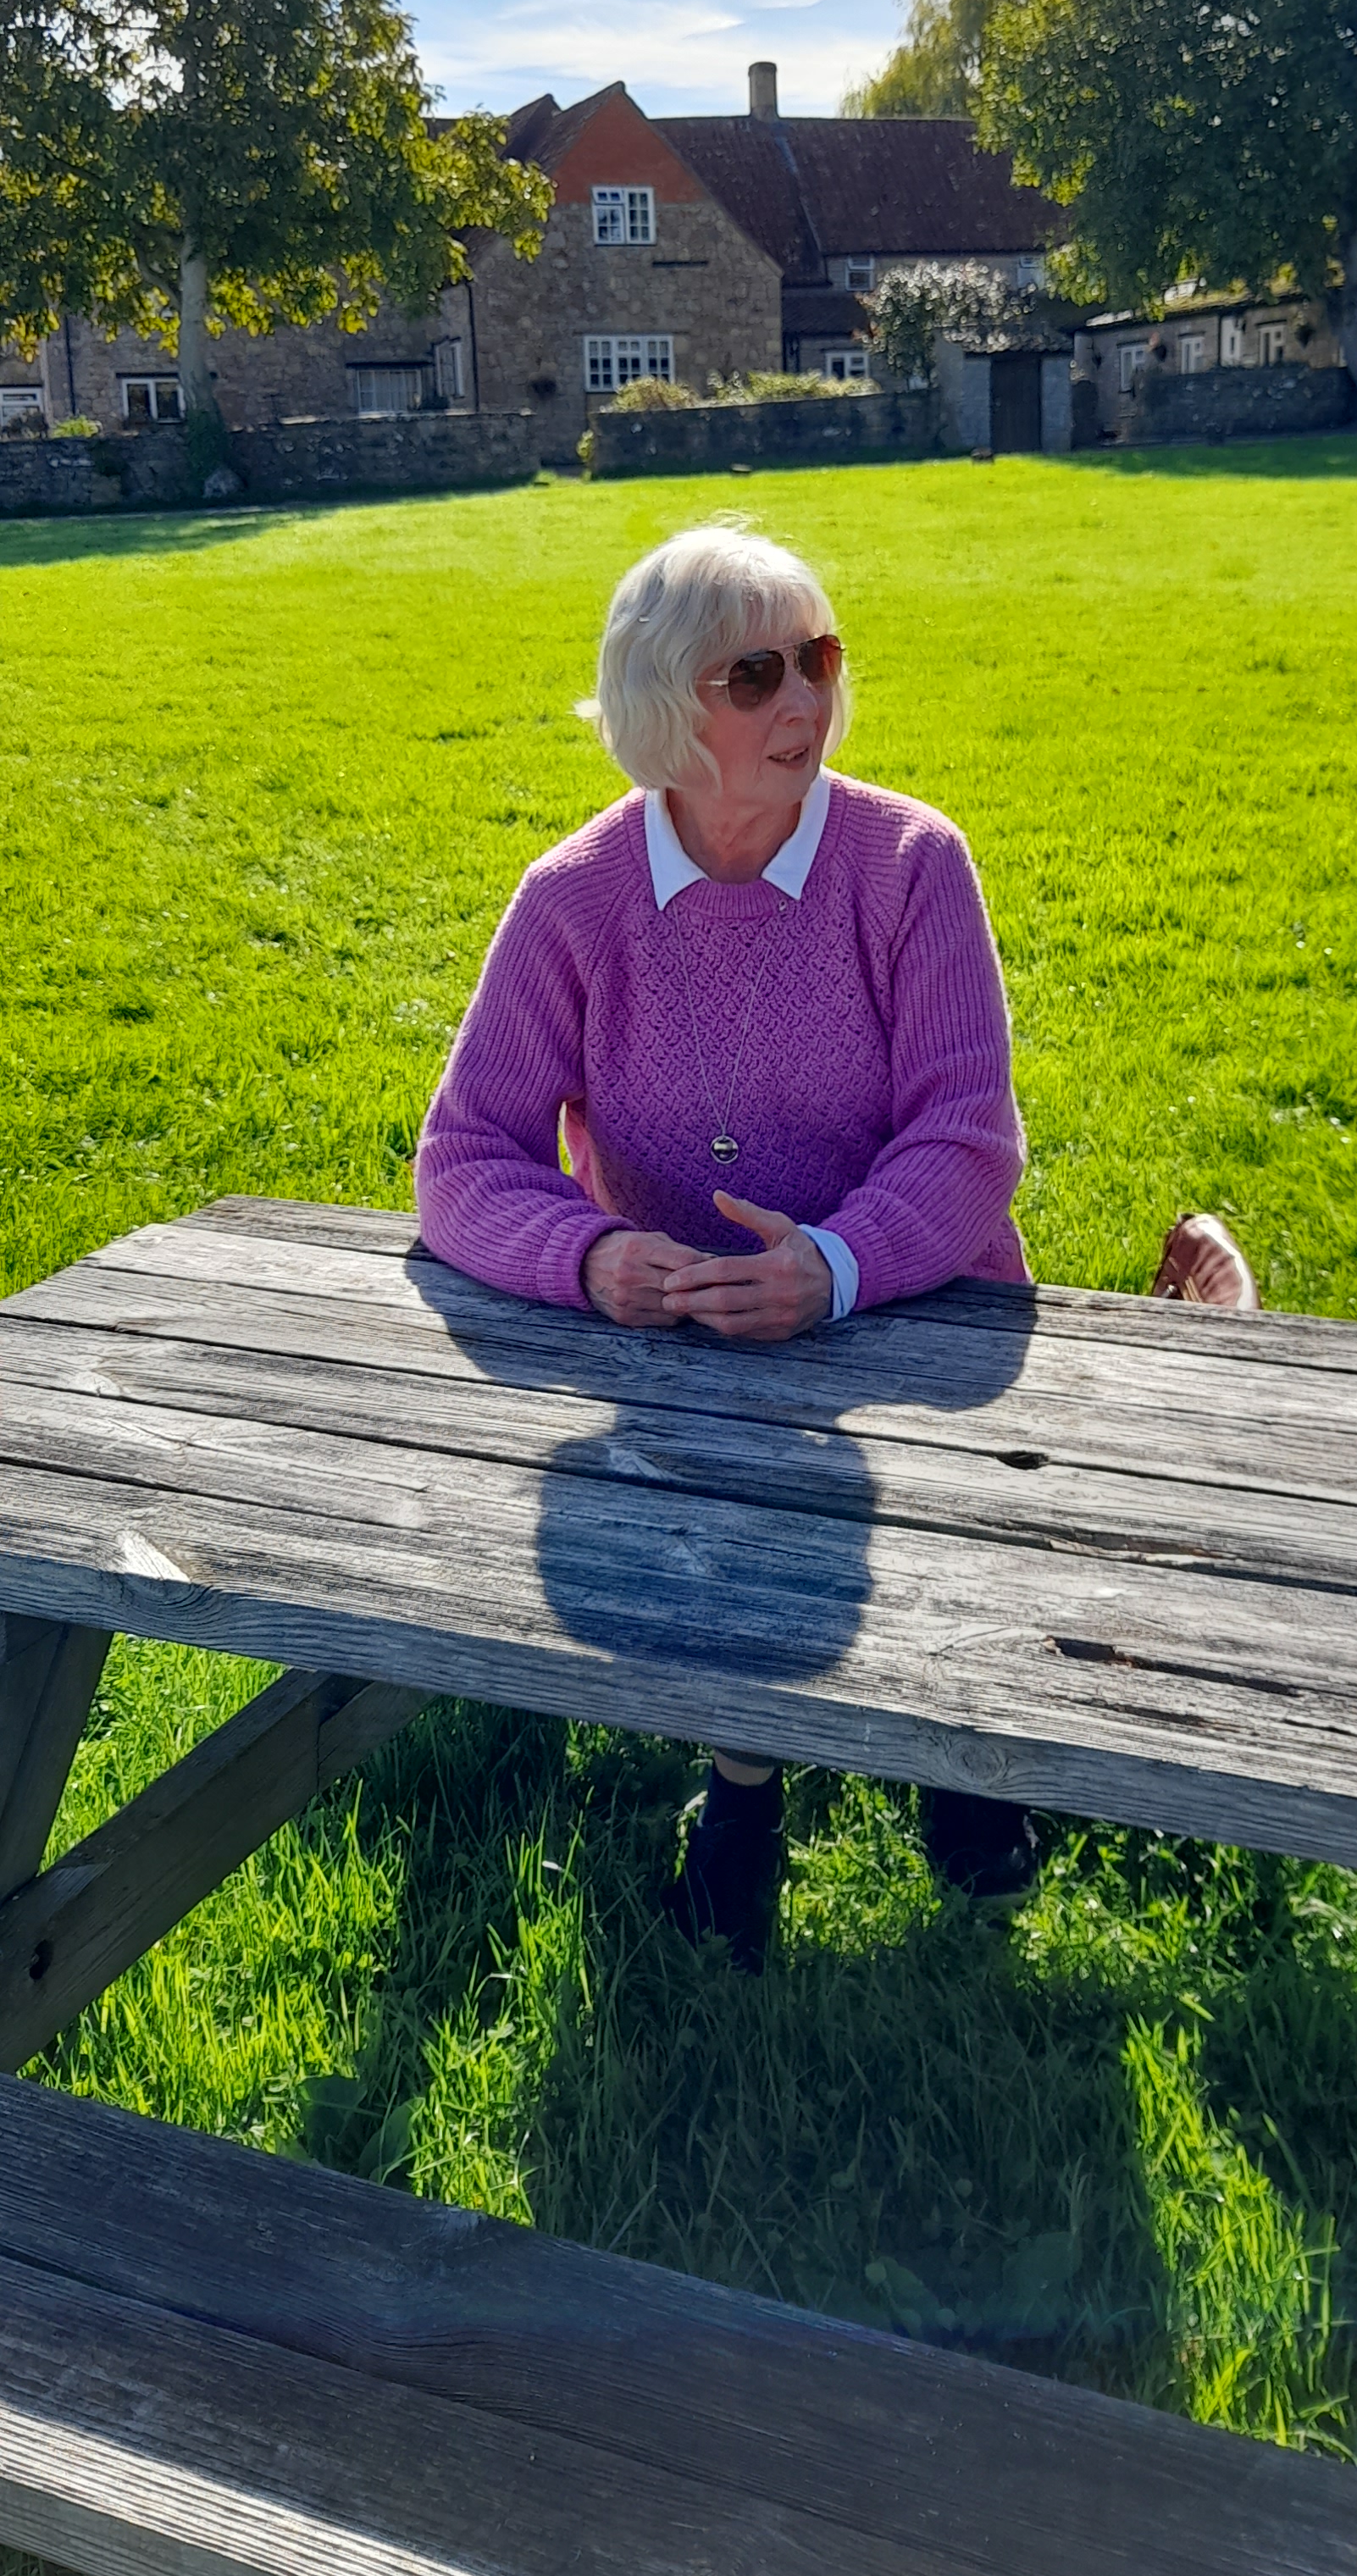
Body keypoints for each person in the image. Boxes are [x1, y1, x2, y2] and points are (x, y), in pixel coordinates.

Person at [416, 520, 1256, 1969]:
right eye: (756, 675)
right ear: (662, 706)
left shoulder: (912, 862)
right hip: (690, 1347)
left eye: (817, 658)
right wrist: (592, 1258)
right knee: (729, 1507)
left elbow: (967, 1139)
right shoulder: (571, 900)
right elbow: (463, 1159)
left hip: (920, 1310)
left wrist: (837, 1267)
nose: (805, 696)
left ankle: (960, 1752)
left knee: (929, 1509)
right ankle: (745, 1794)